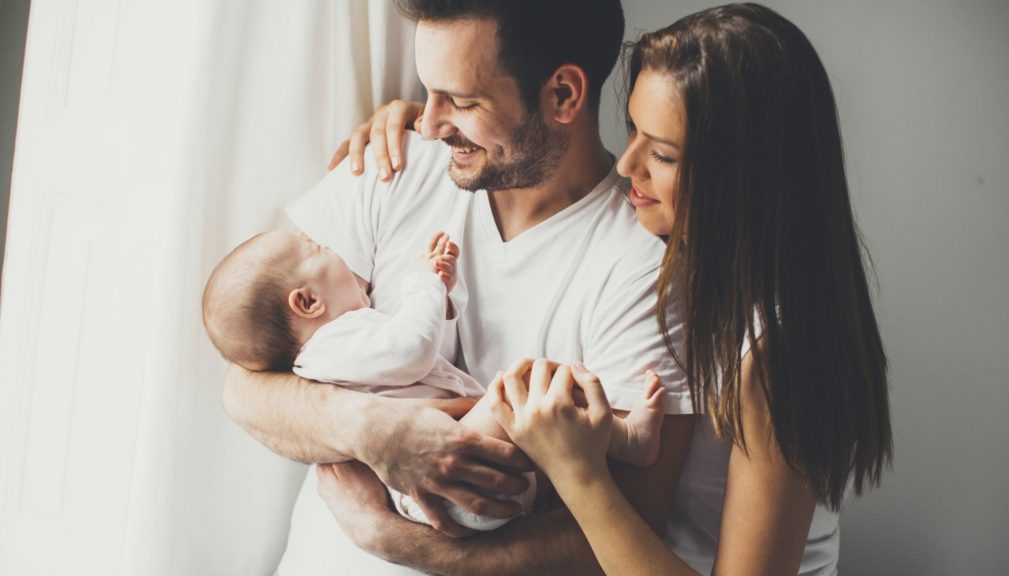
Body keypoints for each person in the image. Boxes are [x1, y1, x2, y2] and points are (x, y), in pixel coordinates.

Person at [321, 3, 893, 575]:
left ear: (743, 179)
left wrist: (577, 472)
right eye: (635, 135)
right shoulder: (696, 269)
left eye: (661, 154)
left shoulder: (779, 353)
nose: (627, 165)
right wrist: (447, 116)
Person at [221, 1, 696, 574]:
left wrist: (389, 538)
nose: (428, 122)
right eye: (430, 91)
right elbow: (245, 386)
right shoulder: (393, 163)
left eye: (463, 101)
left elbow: (620, 539)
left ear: (564, 95)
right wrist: (373, 430)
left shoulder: (645, 269)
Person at [203, 229, 667, 532]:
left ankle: (600, 453)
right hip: (451, 479)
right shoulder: (332, 345)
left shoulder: (348, 347)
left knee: (539, 421)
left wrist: (440, 297)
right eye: (317, 249)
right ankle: (627, 440)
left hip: (458, 484)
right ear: (306, 302)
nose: (332, 248)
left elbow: (429, 362)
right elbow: (412, 350)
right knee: (523, 383)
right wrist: (421, 283)